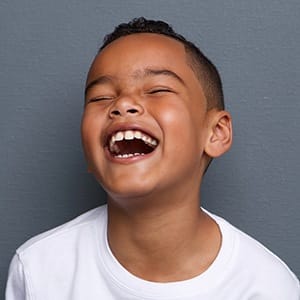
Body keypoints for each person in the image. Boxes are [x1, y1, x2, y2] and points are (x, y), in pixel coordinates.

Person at [6, 17, 300, 300]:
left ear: (216, 133)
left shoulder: (268, 287)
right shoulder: (38, 271)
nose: (123, 104)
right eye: (100, 98)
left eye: (158, 90)